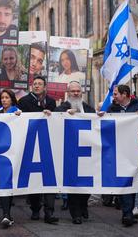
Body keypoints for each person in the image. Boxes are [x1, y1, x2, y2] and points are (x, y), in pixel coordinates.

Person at [102, 84, 138, 227]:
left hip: (134, 151)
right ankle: (127, 212)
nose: (113, 96)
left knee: (131, 182)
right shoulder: (112, 108)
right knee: (123, 182)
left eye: (116, 94)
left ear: (125, 94)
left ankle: (129, 212)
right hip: (117, 151)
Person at [17, 76, 58, 224]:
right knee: (34, 179)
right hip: (31, 144)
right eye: (34, 84)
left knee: (49, 179)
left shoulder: (52, 102)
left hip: (48, 144)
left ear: (45, 86)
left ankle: (49, 212)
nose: (37, 86)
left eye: (40, 84)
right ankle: (35, 208)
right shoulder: (23, 102)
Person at [56, 81, 95, 224]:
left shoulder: (88, 109)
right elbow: (54, 119)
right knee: (73, 185)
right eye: (73, 91)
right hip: (70, 152)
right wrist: (65, 115)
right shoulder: (62, 107)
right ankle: (76, 214)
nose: (76, 93)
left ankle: (83, 204)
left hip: (87, 152)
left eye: (78, 91)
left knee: (87, 184)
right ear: (68, 92)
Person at [0, 89, 21, 227]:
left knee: (7, 182)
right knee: (2, 182)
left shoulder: (18, 111)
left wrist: (19, 116)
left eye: (7, 97)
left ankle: (7, 214)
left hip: (13, 153)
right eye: (2, 98)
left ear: (12, 99)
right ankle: (6, 214)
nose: (4, 100)